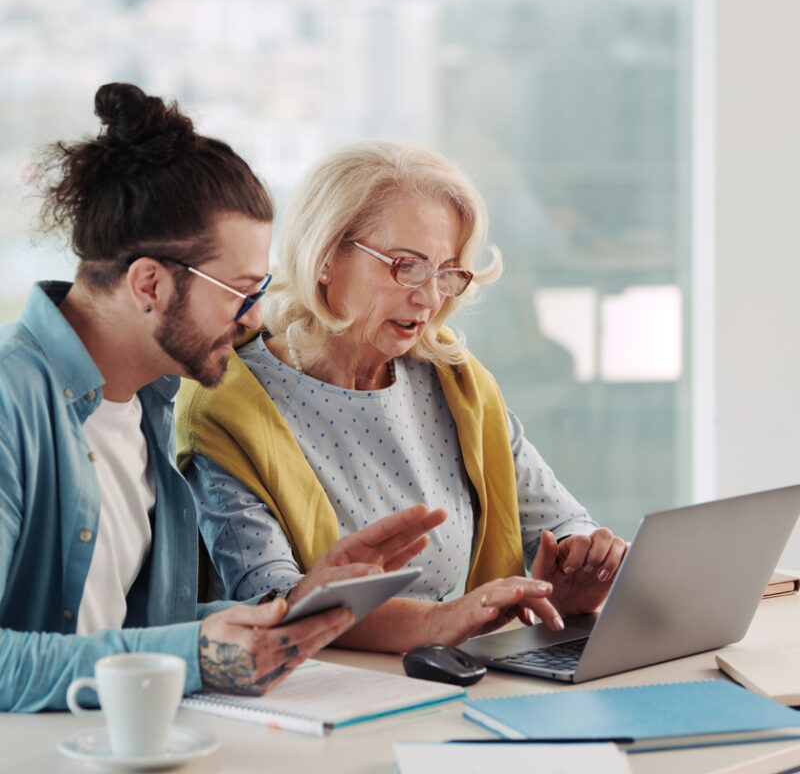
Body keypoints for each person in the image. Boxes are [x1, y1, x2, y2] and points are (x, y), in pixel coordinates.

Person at [0, 87, 447, 712]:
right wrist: (196, 657)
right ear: (149, 284)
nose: (254, 317)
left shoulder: (147, 407)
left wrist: (296, 605)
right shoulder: (12, 404)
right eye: (240, 290)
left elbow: (126, 630)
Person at [177, 140, 628, 653]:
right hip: (321, 686)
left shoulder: (455, 381)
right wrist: (445, 620)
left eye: (446, 272)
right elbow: (272, 601)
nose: (430, 297)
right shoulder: (226, 404)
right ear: (326, 257)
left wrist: (582, 559)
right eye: (406, 266)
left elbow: (559, 520)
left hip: (455, 673)